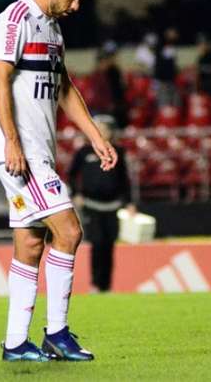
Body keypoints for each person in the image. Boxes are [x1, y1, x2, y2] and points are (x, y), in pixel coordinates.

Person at [0, 0, 117, 362]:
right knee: (69, 231)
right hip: (21, 153)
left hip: (38, 151)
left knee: (30, 242)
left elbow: (63, 89)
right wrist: (11, 142)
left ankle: (14, 343)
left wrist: (95, 135)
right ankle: (57, 333)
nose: (76, 5)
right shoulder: (14, 20)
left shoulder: (53, 32)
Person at [67, 115, 134, 293]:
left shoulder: (118, 151)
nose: (102, 132)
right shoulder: (84, 152)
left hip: (113, 205)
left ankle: (107, 285)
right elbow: (71, 174)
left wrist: (129, 202)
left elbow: (124, 179)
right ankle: (96, 284)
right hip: (92, 205)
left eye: (105, 129)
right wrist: (76, 194)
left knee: (109, 244)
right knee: (96, 243)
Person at [154, 27, 180, 106]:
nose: (175, 35)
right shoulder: (161, 46)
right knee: (164, 103)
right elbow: (161, 65)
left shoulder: (172, 47)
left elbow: (172, 64)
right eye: (173, 33)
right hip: (163, 81)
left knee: (175, 102)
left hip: (172, 80)